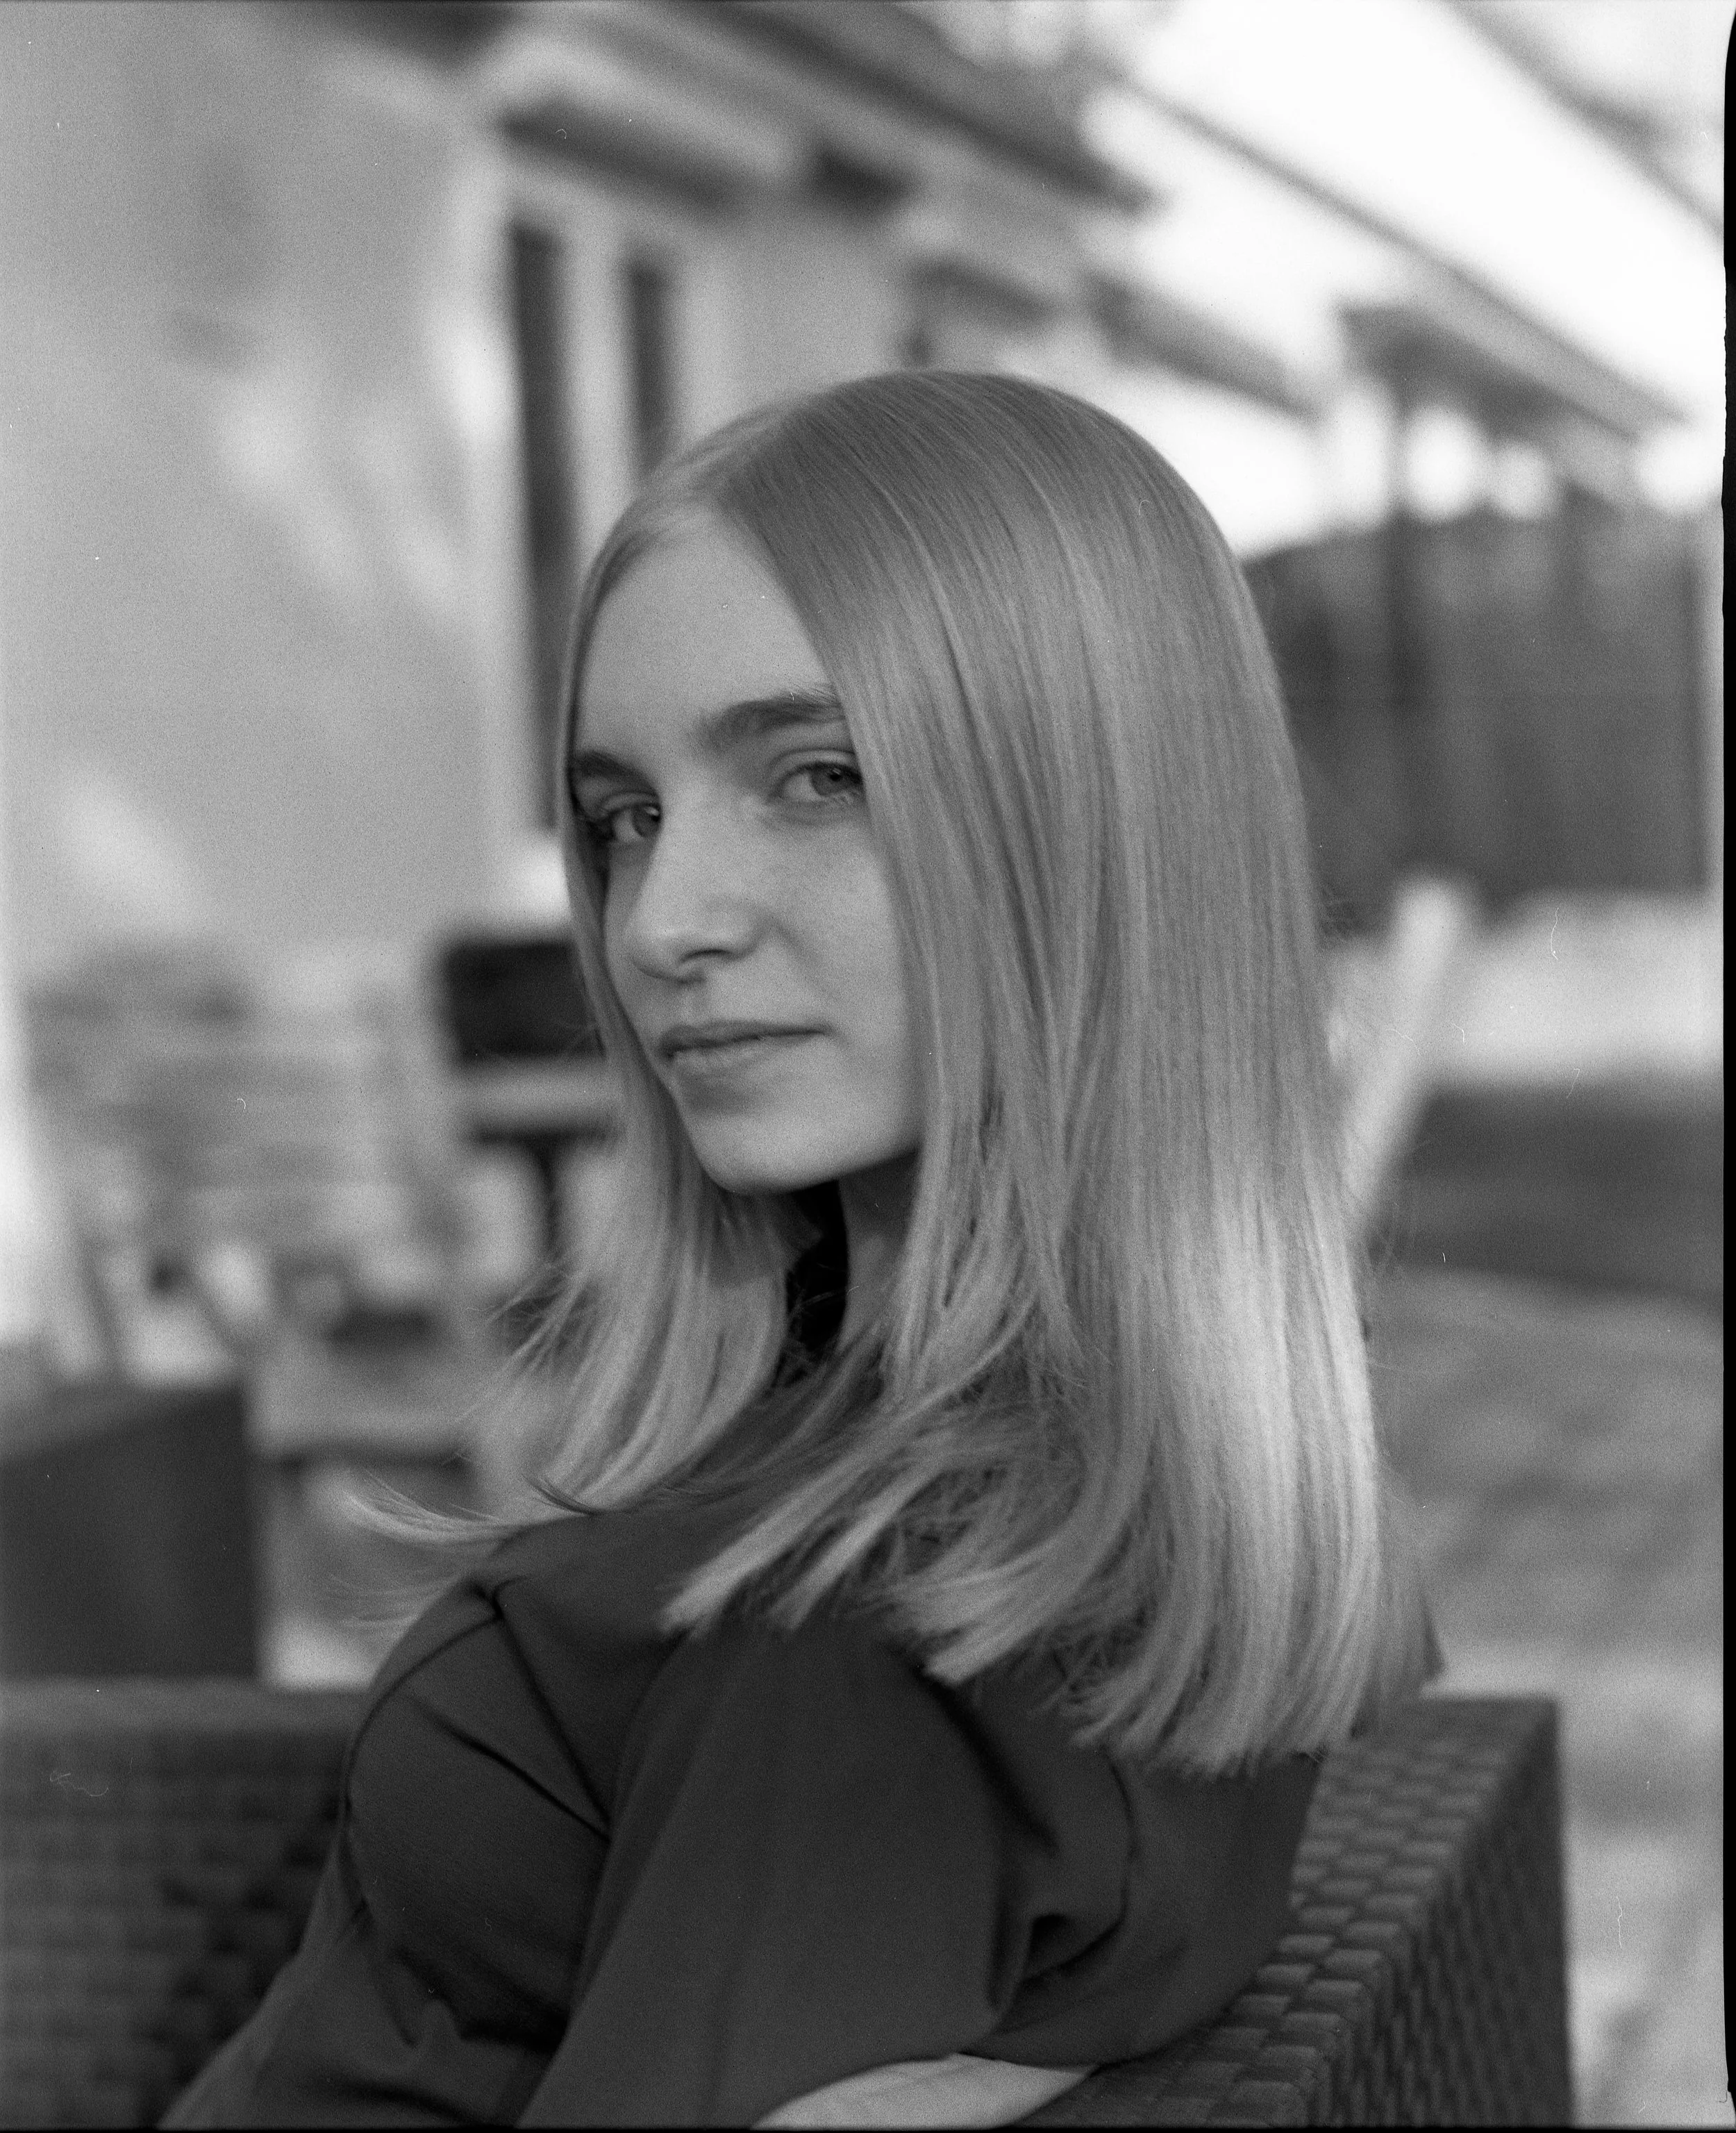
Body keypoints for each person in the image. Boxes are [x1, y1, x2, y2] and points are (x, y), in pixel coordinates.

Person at [165, 371, 1437, 2129]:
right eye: (625, 815)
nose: (663, 923)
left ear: (1087, 823)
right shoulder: (1133, 1481)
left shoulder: (869, 1633)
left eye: (815, 775)